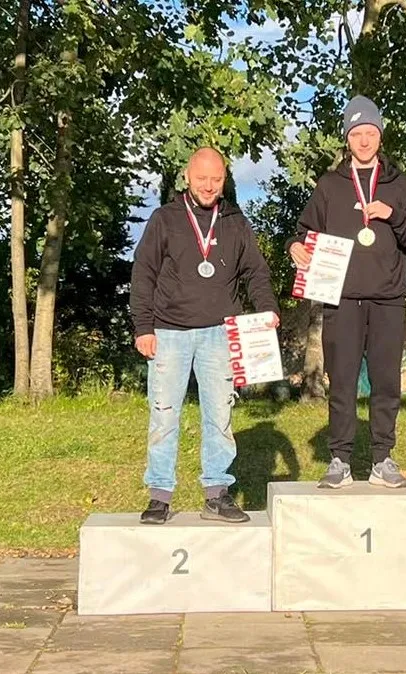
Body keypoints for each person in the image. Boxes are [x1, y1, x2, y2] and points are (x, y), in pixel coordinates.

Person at [130, 146, 280, 525]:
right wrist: (143, 327)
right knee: (164, 416)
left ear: (225, 180)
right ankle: (160, 496)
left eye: (216, 179)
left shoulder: (235, 221)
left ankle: (217, 494)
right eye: (201, 178)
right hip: (169, 332)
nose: (209, 186)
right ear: (187, 177)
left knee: (220, 416)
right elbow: (143, 273)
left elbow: (255, 271)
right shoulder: (165, 219)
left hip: (221, 333)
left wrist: (267, 308)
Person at [287, 96, 406, 489]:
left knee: (386, 382)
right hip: (342, 299)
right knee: (342, 382)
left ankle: (383, 459)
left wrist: (393, 215)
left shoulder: (400, 185)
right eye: (356, 134)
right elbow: (303, 233)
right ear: (347, 138)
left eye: (370, 133)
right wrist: (295, 247)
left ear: (380, 136)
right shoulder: (330, 185)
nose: (364, 141)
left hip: (388, 299)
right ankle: (340, 460)